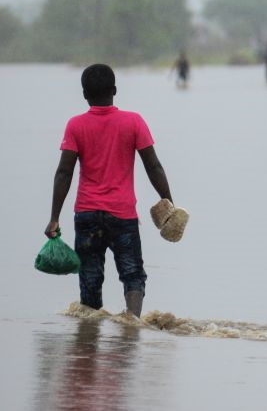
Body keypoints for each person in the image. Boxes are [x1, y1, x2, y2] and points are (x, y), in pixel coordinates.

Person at [44, 64, 175, 317]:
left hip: (87, 215)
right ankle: (133, 326)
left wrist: (54, 217)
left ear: (84, 94)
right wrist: (168, 202)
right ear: (115, 90)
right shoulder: (133, 121)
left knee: (90, 277)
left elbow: (64, 172)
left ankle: (89, 340)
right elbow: (153, 165)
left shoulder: (75, 125)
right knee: (132, 274)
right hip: (122, 215)